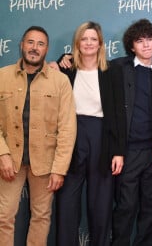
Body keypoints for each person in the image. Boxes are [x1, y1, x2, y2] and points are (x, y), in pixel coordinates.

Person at [0, 26, 76, 246]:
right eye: (30, 42)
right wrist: (2, 154)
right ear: (22, 45)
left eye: (40, 44)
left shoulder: (60, 82)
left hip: (45, 162)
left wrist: (59, 168)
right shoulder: (3, 76)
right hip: (9, 161)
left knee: (41, 217)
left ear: (47, 49)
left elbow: (68, 127)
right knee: (4, 216)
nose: (34, 48)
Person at [54, 21, 126, 246]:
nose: (88, 43)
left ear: (100, 43)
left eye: (93, 39)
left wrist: (118, 151)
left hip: (102, 136)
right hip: (71, 135)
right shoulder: (67, 68)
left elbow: (118, 114)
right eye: (84, 39)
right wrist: (60, 60)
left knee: (101, 204)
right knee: (66, 202)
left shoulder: (112, 70)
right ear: (77, 42)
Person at [111, 18, 152, 246]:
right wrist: (64, 60)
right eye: (139, 41)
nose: (145, 45)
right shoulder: (119, 67)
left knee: (150, 207)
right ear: (131, 46)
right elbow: (88, 64)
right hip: (129, 150)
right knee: (125, 207)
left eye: (149, 40)